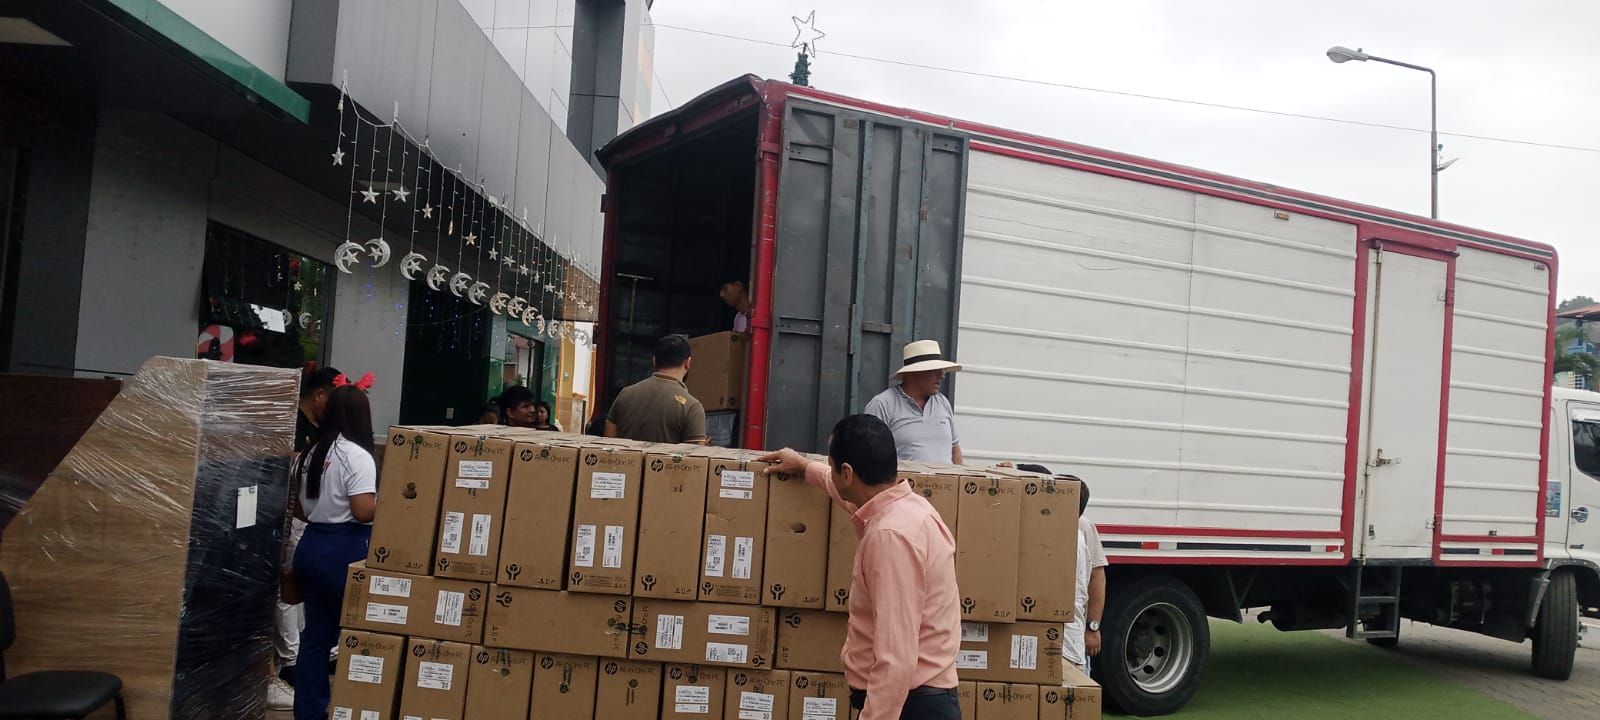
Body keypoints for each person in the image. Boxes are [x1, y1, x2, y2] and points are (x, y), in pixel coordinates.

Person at [761, 415, 961, 720]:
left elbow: (896, 658)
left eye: (831, 466)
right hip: (917, 701)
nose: (831, 471)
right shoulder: (910, 509)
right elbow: (854, 500)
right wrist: (805, 467)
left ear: (847, 472)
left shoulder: (889, 537)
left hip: (909, 706)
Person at [291, 385, 378, 720]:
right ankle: (356, 708)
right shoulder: (356, 456)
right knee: (359, 635)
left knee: (315, 637)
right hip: (344, 550)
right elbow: (362, 511)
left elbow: (299, 509)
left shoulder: (310, 454)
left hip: (311, 546)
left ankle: (309, 712)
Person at [269, 365, 342, 709]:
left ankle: (309, 651)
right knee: (288, 588)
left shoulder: (320, 428)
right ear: (319, 395)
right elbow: (288, 461)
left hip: (309, 520)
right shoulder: (291, 424)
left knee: (304, 594)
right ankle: (290, 659)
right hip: (286, 516)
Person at [1013, 463, 1107, 674]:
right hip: (1053, 641)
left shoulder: (1075, 533)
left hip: (1066, 644)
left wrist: (1093, 627)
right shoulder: (1050, 531)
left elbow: (1096, 577)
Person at [864, 339, 963, 464]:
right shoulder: (882, 405)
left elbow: (955, 450)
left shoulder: (943, 403)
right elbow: (869, 455)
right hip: (901, 477)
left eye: (942, 370)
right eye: (935, 370)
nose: (942, 375)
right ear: (914, 372)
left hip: (945, 478)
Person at [605, 334, 709, 444]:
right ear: (687, 363)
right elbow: (695, 453)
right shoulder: (692, 407)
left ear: (654, 361)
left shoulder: (625, 394)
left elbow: (608, 444)